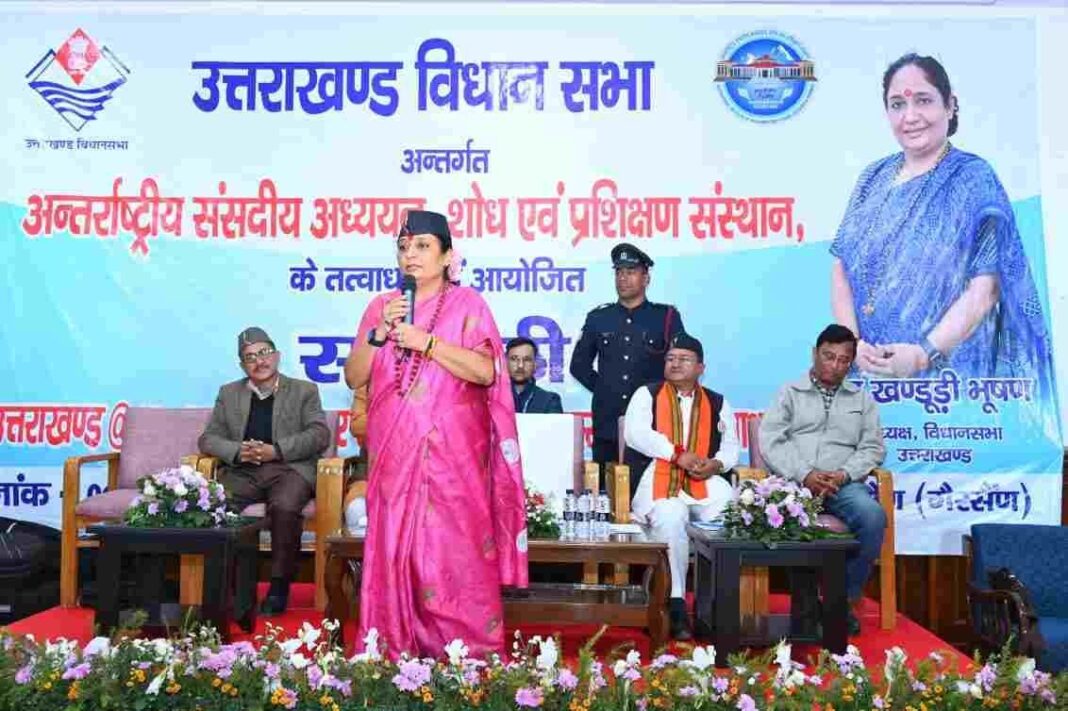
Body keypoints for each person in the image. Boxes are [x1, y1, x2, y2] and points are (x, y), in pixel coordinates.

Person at [343, 209, 528, 659]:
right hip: (394, 458)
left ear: (448, 256)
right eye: (403, 247)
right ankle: (395, 652)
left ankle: (467, 656)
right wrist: (380, 333)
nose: (410, 254)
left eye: (423, 246)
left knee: (454, 555)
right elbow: (353, 377)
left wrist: (428, 343)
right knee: (398, 553)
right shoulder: (381, 307)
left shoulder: (468, 305)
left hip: (453, 460)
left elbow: (485, 371)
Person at [830, 53, 1052, 395]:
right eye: (897, 104)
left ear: (950, 106)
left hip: (948, 383)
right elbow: (841, 269)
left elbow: (987, 288)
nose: (910, 116)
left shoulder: (973, 179)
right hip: (870, 378)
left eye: (923, 100)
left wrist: (923, 355)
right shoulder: (871, 179)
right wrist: (853, 344)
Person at [759, 324, 887, 634]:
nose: (835, 366)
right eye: (829, 357)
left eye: (844, 360)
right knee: (788, 516)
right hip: (797, 483)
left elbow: (873, 447)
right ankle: (805, 604)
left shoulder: (862, 400)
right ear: (815, 354)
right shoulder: (790, 392)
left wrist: (844, 474)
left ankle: (841, 600)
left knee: (873, 516)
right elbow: (771, 440)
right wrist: (804, 474)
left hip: (843, 484)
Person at [198, 327, 331, 615]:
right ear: (242, 365)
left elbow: (319, 435)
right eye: (250, 357)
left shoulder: (304, 390)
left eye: (264, 353)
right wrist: (237, 451)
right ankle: (228, 586)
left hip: (290, 469)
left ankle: (279, 585)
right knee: (216, 506)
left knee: (285, 507)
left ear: (277, 355)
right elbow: (208, 439)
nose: (259, 361)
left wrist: (277, 450)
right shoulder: (229, 393)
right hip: (243, 470)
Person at [623, 333, 738, 640]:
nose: (675, 364)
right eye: (671, 359)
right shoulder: (647, 394)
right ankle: (674, 602)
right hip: (658, 477)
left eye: (684, 359)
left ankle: (711, 601)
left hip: (702, 478)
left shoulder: (717, 401)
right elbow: (636, 434)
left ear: (701, 368)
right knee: (672, 514)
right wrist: (677, 455)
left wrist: (715, 465)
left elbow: (730, 447)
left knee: (727, 503)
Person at [570, 244, 685, 497]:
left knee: (652, 495)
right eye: (619, 272)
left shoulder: (666, 317)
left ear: (646, 278)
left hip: (653, 422)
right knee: (606, 495)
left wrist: (655, 396)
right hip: (608, 421)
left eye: (631, 272)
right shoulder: (599, 318)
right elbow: (578, 366)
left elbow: (680, 366)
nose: (623, 278)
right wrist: (605, 389)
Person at [506, 336, 564, 414]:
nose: (520, 365)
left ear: (535, 365)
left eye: (527, 359)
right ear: (505, 363)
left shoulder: (549, 401)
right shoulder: (493, 399)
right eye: (514, 359)